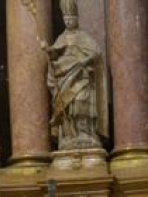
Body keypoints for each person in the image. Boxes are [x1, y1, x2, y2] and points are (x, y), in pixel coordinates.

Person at [43, 0, 108, 151]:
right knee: (67, 106)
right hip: (65, 78)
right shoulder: (61, 38)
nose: (68, 22)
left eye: (71, 19)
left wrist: (85, 60)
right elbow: (54, 55)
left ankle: (84, 132)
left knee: (80, 103)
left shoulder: (84, 37)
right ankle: (69, 135)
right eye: (66, 19)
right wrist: (47, 49)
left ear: (77, 19)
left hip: (82, 78)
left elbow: (97, 53)